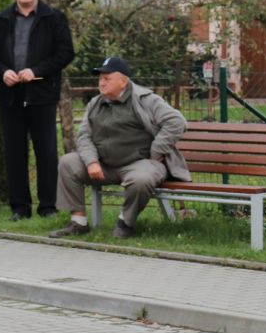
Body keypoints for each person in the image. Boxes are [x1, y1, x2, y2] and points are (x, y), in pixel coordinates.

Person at [51, 57, 189, 239]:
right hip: (104, 165)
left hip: (139, 163)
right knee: (68, 162)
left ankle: (125, 222)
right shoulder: (95, 103)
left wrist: (156, 150)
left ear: (123, 81)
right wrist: (91, 162)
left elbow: (177, 122)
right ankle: (78, 222)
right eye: (100, 78)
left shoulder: (145, 99)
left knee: (141, 179)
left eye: (107, 78)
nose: (101, 83)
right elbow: (83, 136)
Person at [0, 0, 76, 220]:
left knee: (46, 152)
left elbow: (66, 52)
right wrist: (2, 72)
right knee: (15, 153)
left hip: (42, 94)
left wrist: (36, 70)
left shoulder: (54, 18)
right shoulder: (1, 19)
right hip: (10, 96)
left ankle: (48, 206)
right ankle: (20, 208)